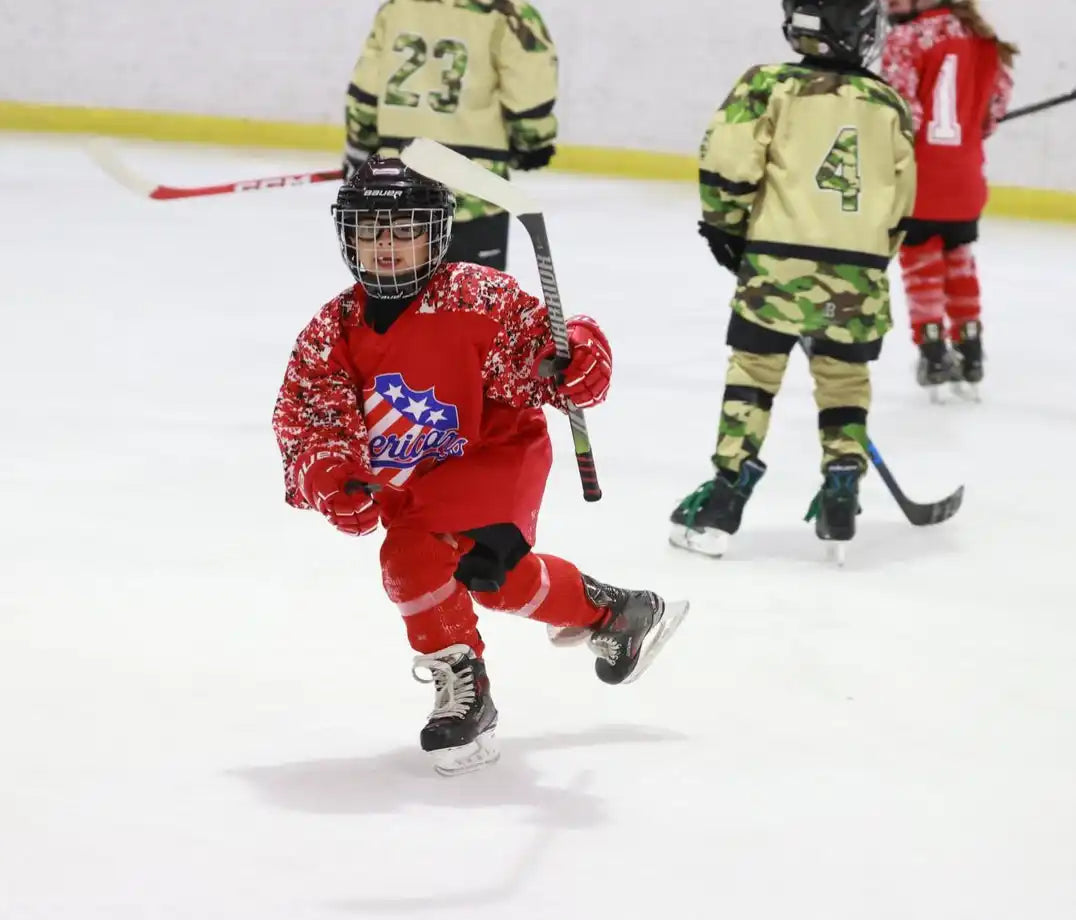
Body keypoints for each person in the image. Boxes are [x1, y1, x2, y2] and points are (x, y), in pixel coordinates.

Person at [272, 156, 688, 776]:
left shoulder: (476, 297)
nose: (386, 246)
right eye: (370, 230)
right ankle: (615, 612)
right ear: (347, 236)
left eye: (404, 229)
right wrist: (329, 475)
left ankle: (465, 696)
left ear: (437, 233)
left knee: (413, 557)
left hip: (494, 453)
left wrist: (572, 359)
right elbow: (311, 418)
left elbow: (536, 345)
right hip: (414, 478)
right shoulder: (332, 329)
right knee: (490, 579)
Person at [668, 0, 916, 559]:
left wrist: (727, 232)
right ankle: (841, 496)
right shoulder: (888, 102)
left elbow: (728, 163)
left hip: (775, 264)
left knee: (753, 375)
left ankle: (722, 502)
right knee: (844, 383)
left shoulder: (767, 85)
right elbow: (901, 205)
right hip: (859, 272)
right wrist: (867, 262)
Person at [342, 0, 559, 270]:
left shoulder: (396, 8)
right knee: (474, 307)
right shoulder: (506, 13)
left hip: (397, 200)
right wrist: (533, 145)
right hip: (475, 194)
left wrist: (360, 151)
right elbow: (529, 98)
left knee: (399, 306)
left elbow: (363, 97)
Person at [881, 0, 1017, 397]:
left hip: (921, 180)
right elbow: (994, 112)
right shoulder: (983, 38)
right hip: (966, 179)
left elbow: (902, 116)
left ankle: (933, 350)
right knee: (958, 260)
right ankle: (971, 347)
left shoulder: (906, 39)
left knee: (920, 263)